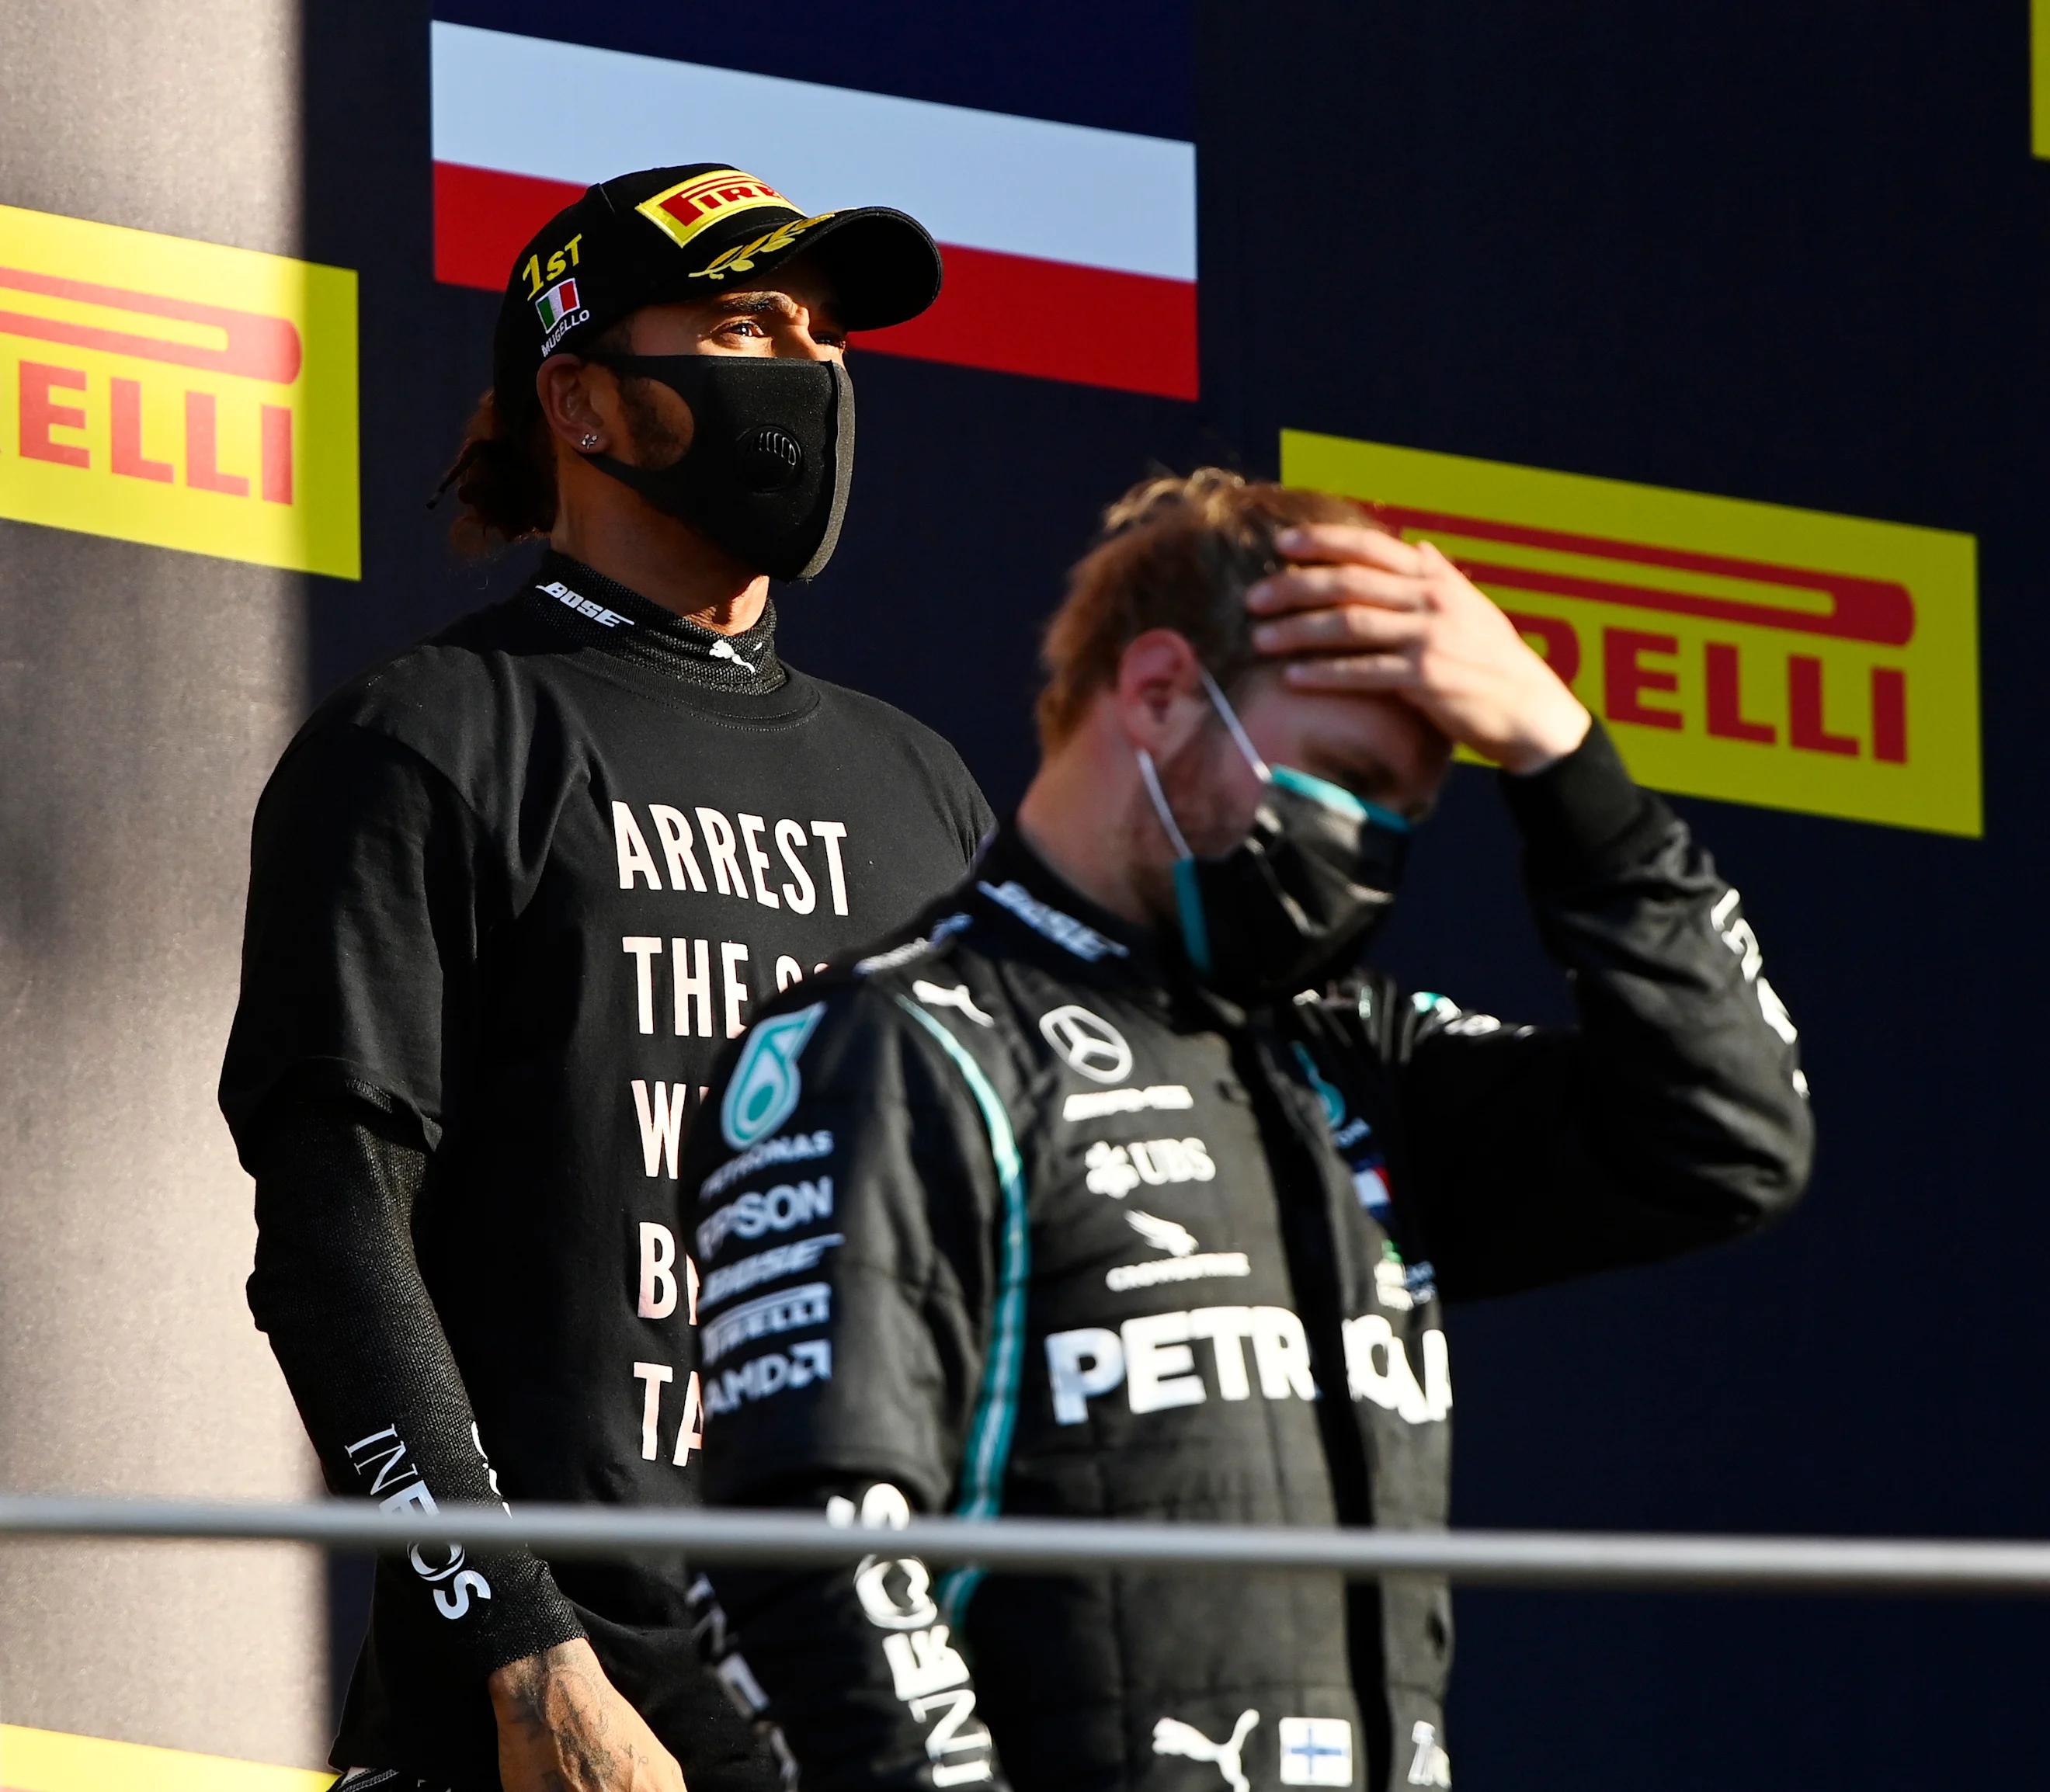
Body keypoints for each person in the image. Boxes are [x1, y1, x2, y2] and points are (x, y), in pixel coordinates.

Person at [680, 471, 1817, 1790]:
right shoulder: (898, 1046)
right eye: (1342, 775)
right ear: (1159, 694)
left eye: (1407, 807)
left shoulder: (1354, 1059)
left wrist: (1567, 764)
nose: (1373, 841)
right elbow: (812, 1561)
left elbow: (1727, 1136)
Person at [221, 165, 991, 1792]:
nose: (807, 371)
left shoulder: (924, 792)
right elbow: (333, 1234)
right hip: (535, 1740)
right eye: (740, 323)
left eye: (823, 333)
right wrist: (521, 1659)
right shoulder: (428, 738)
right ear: (578, 395)